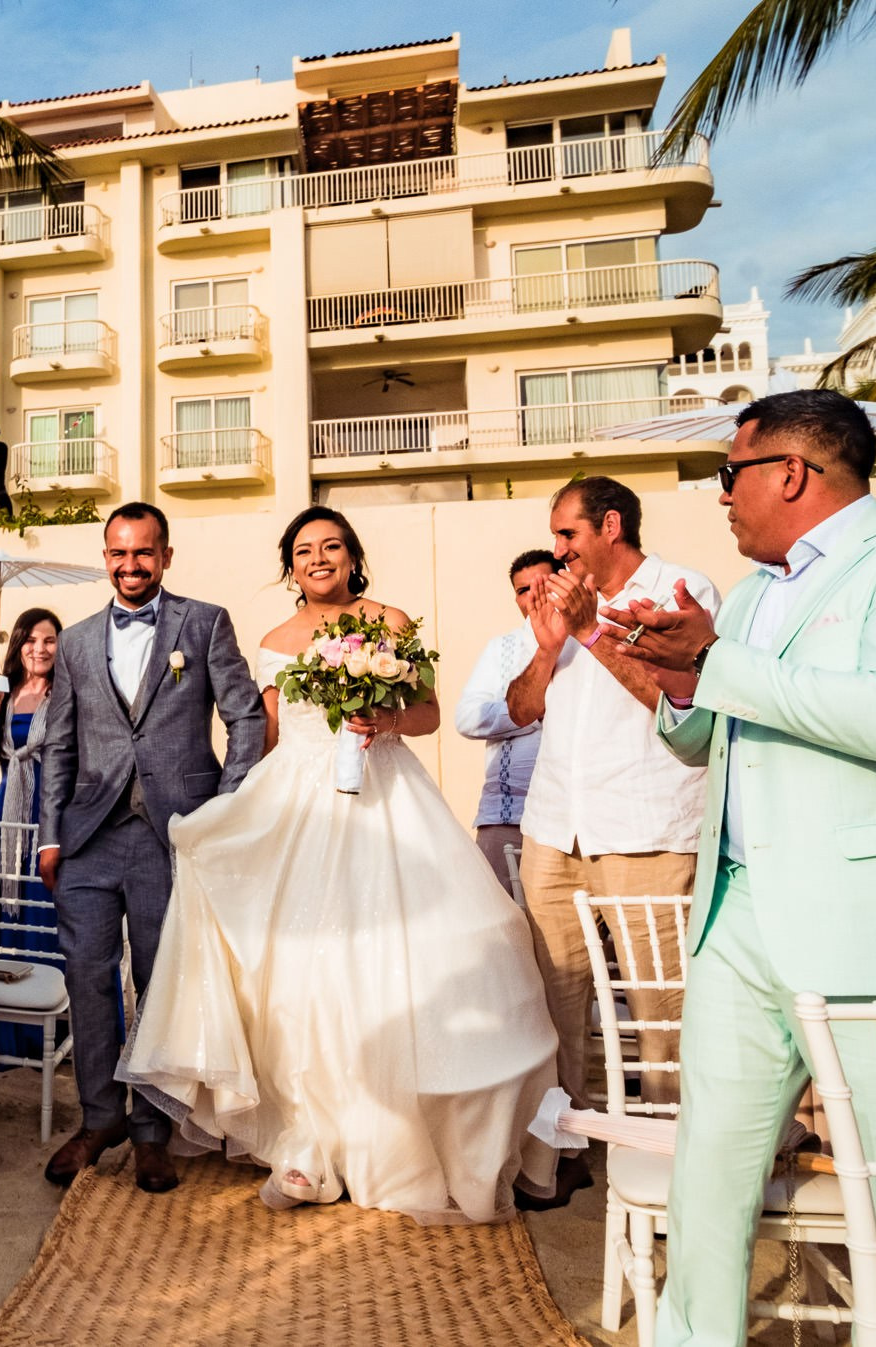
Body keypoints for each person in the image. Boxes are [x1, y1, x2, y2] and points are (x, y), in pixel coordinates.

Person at [608, 390, 876, 1347]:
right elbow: (708, 738)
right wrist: (673, 681)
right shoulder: (751, 592)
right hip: (738, 910)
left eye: (728, 475)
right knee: (708, 1175)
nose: (720, 498)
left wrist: (713, 657)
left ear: (790, 471)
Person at [123, 508, 562, 1217]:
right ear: (289, 566)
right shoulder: (271, 641)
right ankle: (307, 1143)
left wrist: (385, 719)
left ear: (354, 557)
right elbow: (261, 735)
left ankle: (402, 1139)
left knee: (422, 955)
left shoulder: (387, 620)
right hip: (295, 808)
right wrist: (236, 816)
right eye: (303, 550)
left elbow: (424, 711)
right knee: (297, 976)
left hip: (385, 797)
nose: (318, 557)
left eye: (331, 546)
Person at [36, 503, 266, 1194]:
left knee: (162, 984)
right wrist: (50, 834)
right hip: (89, 837)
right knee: (86, 975)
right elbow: (58, 746)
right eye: (118, 553)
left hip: (174, 834)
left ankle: (152, 1130)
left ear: (166, 555)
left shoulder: (203, 622)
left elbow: (246, 718)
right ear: (104, 556)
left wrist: (220, 813)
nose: (129, 564)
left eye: (143, 553)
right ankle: (100, 1115)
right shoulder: (75, 641)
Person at [511, 475, 721, 1206]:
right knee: (552, 1009)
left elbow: (680, 701)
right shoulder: (556, 606)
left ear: (609, 524)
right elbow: (518, 709)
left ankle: (676, 1175)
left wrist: (594, 628)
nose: (557, 550)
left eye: (566, 534)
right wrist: (547, 647)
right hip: (553, 830)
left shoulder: (682, 590)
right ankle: (562, 1152)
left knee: (662, 1013)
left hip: (648, 829)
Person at [0, 608, 63, 1059]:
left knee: (45, 915)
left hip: (52, 815)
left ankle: (50, 1029)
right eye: (30, 639)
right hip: (7, 816)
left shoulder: (68, 694)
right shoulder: (2, 695)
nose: (39, 649)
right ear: (18, 644)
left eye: (49, 640)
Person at [454, 550, 559, 896]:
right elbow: (467, 717)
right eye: (521, 589)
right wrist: (529, 715)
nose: (532, 596)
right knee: (501, 926)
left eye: (540, 584)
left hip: (578, 817)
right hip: (507, 816)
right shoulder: (502, 649)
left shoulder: (591, 640)